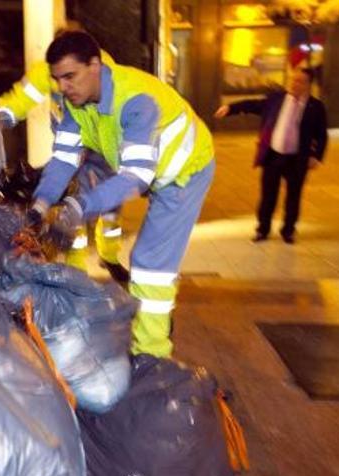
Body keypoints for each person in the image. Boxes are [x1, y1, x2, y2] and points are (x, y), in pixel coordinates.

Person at [31, 30, 215, 358]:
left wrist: (78, 206)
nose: (63, 87)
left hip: (183, 173)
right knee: (91, 196)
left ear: (95, 66)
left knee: (149, 262)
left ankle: (153, 355)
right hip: (135, 166)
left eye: (70, 76)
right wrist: (40, 205)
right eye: (57, 79)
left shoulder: (137, 101)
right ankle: (151, 330)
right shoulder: (76, 105)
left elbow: (136, 176)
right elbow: (62, 160)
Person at [0, 48, 129, 283]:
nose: (64, 85)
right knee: (72, 209)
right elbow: (23, 97)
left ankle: (109, 255)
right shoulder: (47, 70)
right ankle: (77, 272)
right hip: (72, 145)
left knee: (109, 208)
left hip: (103, 147)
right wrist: (2, 115)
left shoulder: (102, 68)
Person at [214, 68, 328, 244]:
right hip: (273, 155)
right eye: (293, 79)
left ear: (308, 85)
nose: (294, 83)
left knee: (293, 196)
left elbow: (321, 134)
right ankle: (263, 229)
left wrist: (316, 156)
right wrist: (230, 108)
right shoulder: (277, 99)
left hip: (297, 159)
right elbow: (253, 105)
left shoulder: (316, 107)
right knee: (268, 195)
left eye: (300, 81)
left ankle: (288, 231)